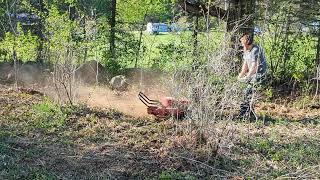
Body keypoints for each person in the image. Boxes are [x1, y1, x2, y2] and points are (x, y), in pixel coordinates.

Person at [237, 33, 267, 118]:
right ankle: (248, 112)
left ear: (247, 41)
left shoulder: (255, 50)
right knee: (244, 91)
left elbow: (254, 66)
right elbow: (245, 66)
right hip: (252, 74)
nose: (241, 44)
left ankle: (244, 114)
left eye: (242, 42)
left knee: (247, 92)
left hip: (259, 75)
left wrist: (247, 77)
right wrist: (240, 76)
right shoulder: (246, 51)